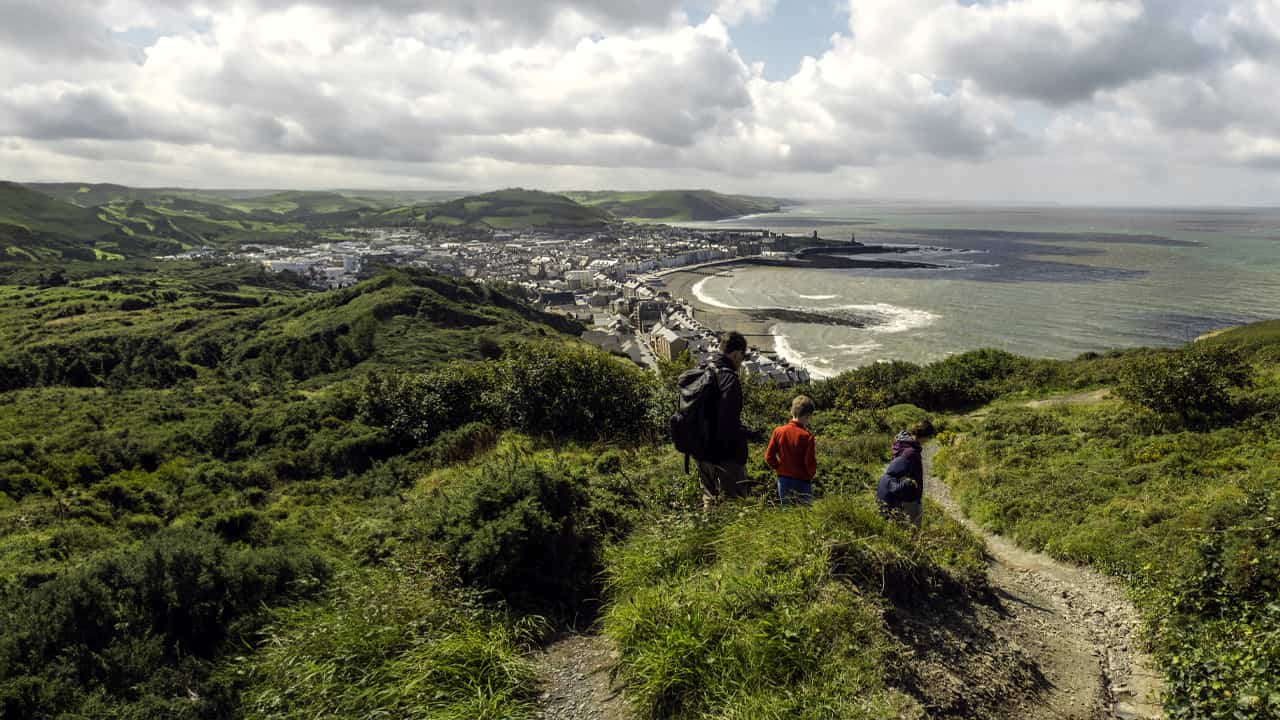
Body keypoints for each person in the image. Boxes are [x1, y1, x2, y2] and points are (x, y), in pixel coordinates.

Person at [696, 331, 752, 512]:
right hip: (724, 455)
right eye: (741, 358)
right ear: (736, 354)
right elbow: (729, 421)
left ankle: (709, 531)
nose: (741, 363)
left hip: (700, 450)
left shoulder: (702, 368)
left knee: (709, 499)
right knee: (735, 503)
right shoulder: (729, 379)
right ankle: (732, 539)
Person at [765, 395, 817, 506]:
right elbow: (810, 462)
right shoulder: (807, 436)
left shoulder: (778, 431)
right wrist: (811, 475)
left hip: (783, 480)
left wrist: (779, 467)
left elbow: (769, 457)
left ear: (792, 411)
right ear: (808, 415)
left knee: (787, 514)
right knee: (805, 516)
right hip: (802, 481)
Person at [876, 425, 925, 526]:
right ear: (924, 436)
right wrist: (910, 484)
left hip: (900, 495)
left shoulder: (903, 445)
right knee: (914, 526)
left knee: (901, 525)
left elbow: (896, 470)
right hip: (909, 496)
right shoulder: (911, 452)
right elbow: (902, 472)